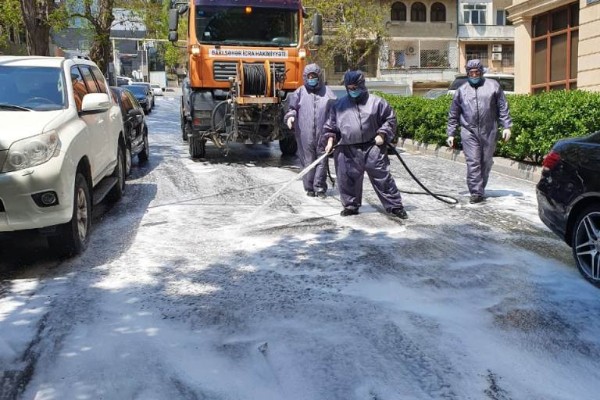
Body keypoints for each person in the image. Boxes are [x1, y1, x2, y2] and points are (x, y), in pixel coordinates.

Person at [322, 70, 408, 219]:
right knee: (347, 178)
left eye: (355, 87)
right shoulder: (339, 105)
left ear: (362, 85)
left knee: (382, 176)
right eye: (349, 88)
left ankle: (395, 206)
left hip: (372, 146)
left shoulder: (376, 102)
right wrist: (330, 140)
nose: (352, 91)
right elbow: (331, 126)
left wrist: (382, 134)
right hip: (347, 148)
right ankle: (350, 206)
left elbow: (390, 119)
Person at [447, 59, 512, 204]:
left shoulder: (493, 86)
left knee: (486, 161)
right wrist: (451, 133)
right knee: (473, 162)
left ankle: (480, 187)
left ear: (481, 72)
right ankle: (476, 192)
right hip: (468, 131)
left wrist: (506, 126)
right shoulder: (461, 91)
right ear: (467, 73)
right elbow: (454, 113)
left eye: (477, 72)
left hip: (489, 130)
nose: (474, 75)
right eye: (471, 72)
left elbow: (503, 107)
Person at [284, 63, 336, 197]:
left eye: (314, 76)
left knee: (322, 161)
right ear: (305, 77)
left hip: (323, 134)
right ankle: (309, 187)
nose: (311, 79)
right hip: (304, 134)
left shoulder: (328, 93)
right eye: (309, 76)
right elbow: (292, 109)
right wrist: (290, 117)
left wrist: (332, 135)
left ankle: (319, 187)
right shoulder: (300, 92)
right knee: (308, 161)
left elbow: (334, 114)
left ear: (319, 76)